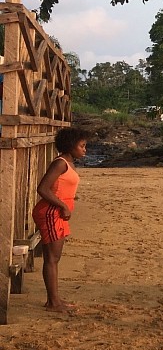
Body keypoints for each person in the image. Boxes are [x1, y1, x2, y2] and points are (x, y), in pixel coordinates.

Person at [32, 127, 92, 313]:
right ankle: (52, 302)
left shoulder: (69, 162)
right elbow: (43, 188)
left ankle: (55, 299)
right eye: (82, 146)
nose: (85, 150)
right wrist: (64, 206)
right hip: (51, 212)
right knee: (51, 258)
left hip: (57, 212)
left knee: (54, 258)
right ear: (70, 145)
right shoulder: (60, 163)